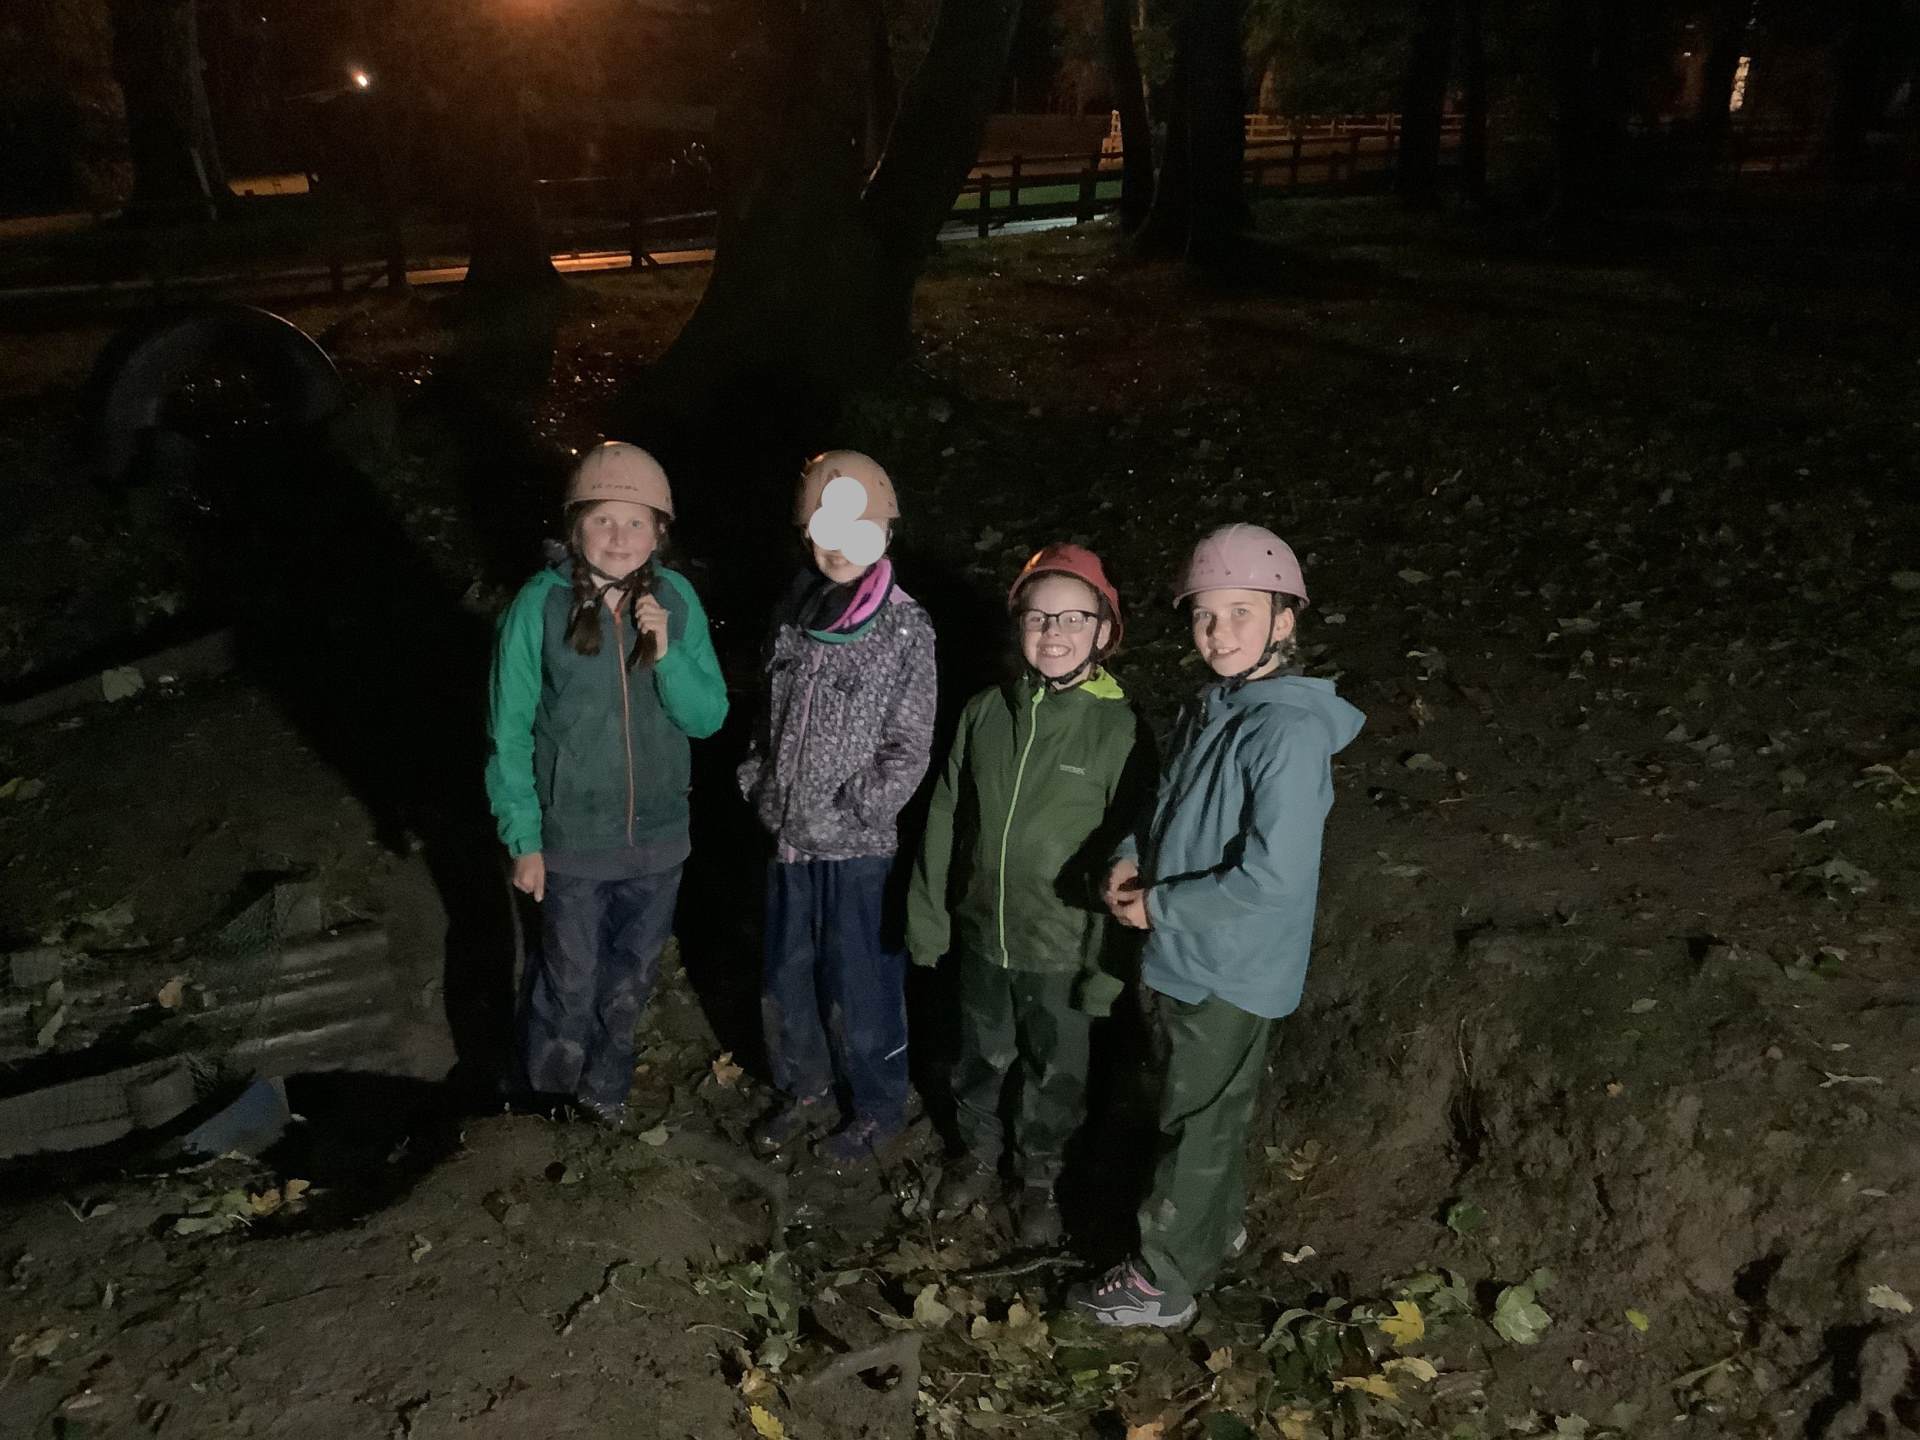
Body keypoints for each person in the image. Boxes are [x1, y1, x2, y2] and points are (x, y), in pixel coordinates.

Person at [1068, 524, 1364, 1327]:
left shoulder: (1288, 732)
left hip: (1231, 964)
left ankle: (1164, 1282)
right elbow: (1169, 806)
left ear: (1284, 621)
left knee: (1196, 1123)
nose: (1218, 632)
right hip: (1182, 950)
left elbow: (1273, 877)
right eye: (1203, 615)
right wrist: (1131, 857)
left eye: (1240, 613)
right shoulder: (1214, 705)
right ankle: (1208, 1229)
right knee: (1192, 1107)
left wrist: (1161, 905)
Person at [906, 544, 1152, 1246]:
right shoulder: (986, 713)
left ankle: (1040, 1177)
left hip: (1065, 946)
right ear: (1018, 626)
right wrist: (929, 913)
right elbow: (946, 812)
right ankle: (977, 1154)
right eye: (1038, 617)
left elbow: (1134, 852)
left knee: (1056, 1072)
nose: (1053, 632)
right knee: (980, 1053)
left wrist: (1108, 969)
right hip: (984, 932)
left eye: (1074, 618)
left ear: (1105, 631)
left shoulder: (1122, 730)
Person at [484, 442, 728, 1126]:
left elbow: (708, 717)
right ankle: (545, 1105)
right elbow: (508, 731)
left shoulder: (676, 599)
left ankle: (604, 1096)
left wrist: (667, 654)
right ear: (575, 527)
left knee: (630, 983)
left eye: (636, 522)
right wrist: (523, 838)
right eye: (603, 520)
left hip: (659, 841)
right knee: (569, 980)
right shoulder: (538, 606)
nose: (619, 537)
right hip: (572, 841)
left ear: (659, 532)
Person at [739, 450, 937, 1166]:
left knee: (861, 984)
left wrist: (861, 809)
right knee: (787, 978)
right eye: (825, 530)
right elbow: (768, 714)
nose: (840, 547)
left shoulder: (905, 628)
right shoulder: (793, 615)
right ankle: (806, 1089)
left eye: (859, 529)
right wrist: (757, 780)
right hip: (788, 840)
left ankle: (878, 1108)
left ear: (887, 531)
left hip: (857, 851)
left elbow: (909, 743)